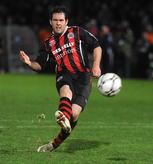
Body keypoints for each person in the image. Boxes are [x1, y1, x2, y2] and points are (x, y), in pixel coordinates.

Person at [19, 5, 102, 152]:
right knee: (65, 90)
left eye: (61, 20)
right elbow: (39, 65)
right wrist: (29, 63)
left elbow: (96, 46)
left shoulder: (77, 32)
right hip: (64, 75)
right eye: (55, 20)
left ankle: (54, 143)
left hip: (84, 77)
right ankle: (63, 115)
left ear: (66, 21)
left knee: (74, 115)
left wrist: (96, 65)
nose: (58, 23)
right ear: (50, 21)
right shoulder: (48, 43)